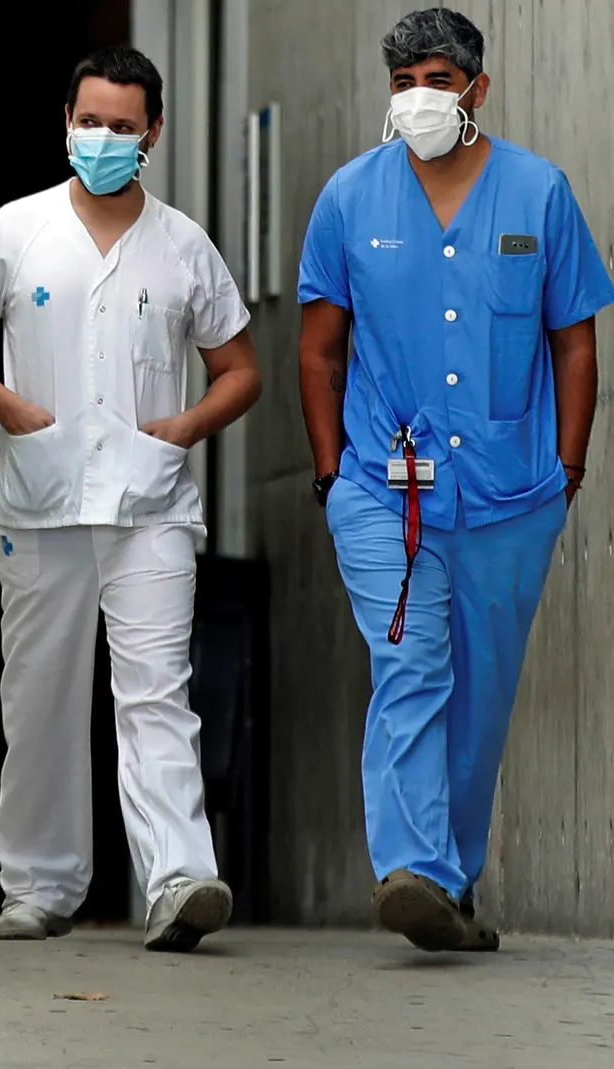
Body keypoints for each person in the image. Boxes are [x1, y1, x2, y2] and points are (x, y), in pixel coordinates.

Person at [297, 8, 612, 953]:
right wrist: (327, 475)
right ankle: (413, 871)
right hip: (381, 491)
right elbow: (318, 351)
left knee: (481, 694)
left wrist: (566, 469)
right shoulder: (349, 198)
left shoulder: (539, 193)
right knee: (410, 666)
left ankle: (452, 881)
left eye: (435, 79)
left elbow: (575, 340)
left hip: (514, 494)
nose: (417, 99)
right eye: (402, 82)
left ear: (477, 88)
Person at [0, 45, 261, 953]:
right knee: (40, 697)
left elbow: (240, 369)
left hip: (150, 509)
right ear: (65, 121)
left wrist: (178, 431)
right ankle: (39, 884)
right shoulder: (14, 232)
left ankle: (178, 878)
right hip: (38, 501)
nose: (102, 138)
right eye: (90, 121)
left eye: (123, 127)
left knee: (156, 695)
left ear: (154, 136)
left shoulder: (182, 245)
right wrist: (7, 408)